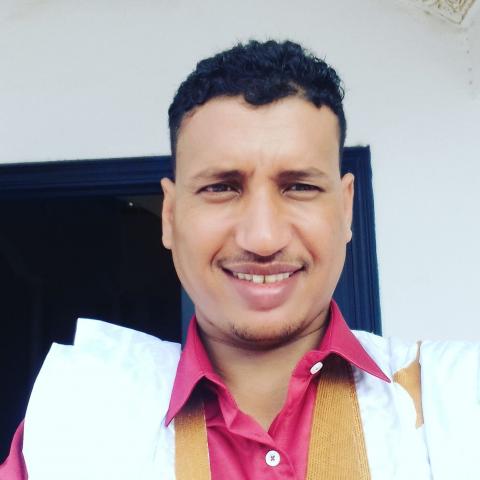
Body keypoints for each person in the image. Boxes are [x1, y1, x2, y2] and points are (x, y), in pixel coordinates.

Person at [1, 39, 479, 480]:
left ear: (346, 208)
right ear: (170, 216)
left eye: (299, 186)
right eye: (221, 188)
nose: (263, 238)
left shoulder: (458, 403)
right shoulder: (75, 421)